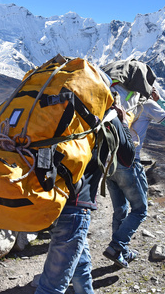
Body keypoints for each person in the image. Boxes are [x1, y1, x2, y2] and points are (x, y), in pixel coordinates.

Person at [35, 104, 135, 294]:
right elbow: (127, 158)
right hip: (75, 207)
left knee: (81, 265)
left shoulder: (61, 105)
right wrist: (122, 123)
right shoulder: (108, 114)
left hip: (50, 198)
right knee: (51, 286)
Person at [103, 86, 165, 268]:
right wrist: (159, 99)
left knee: (120, 210)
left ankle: (123, 252)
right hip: (129, 162)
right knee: (140, 210)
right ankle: (116, 246)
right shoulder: (147, 104)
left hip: (108, 163)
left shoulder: (112, 99)